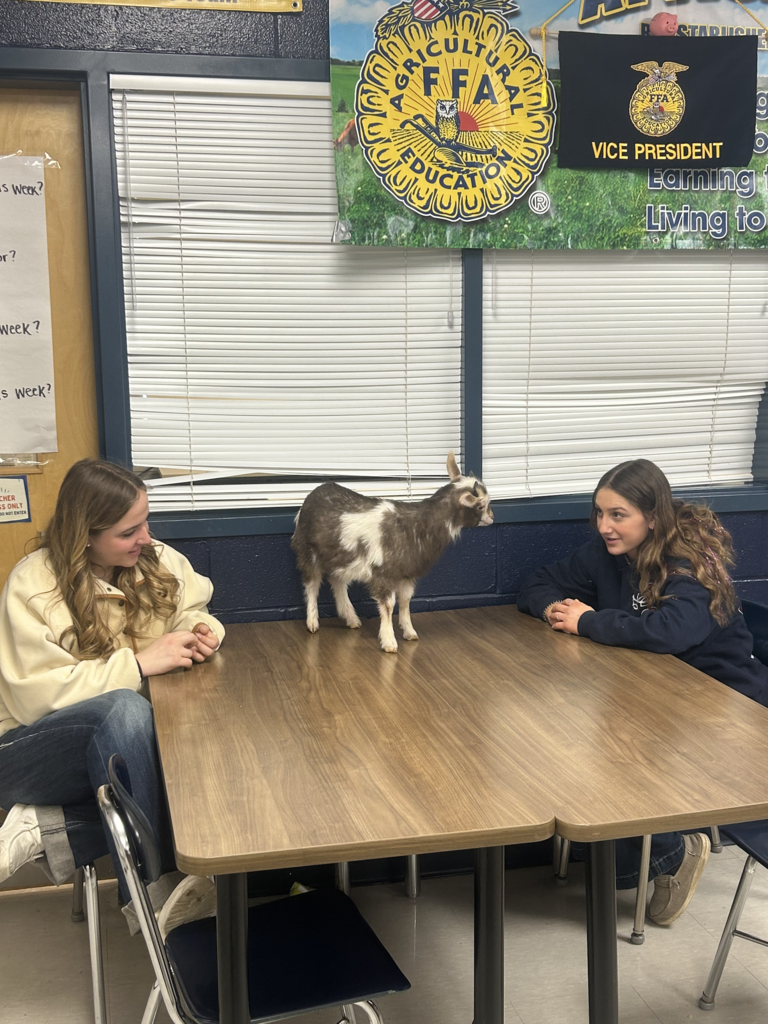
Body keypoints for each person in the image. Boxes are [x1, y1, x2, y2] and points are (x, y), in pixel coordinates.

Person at [517, 458, 768, 926]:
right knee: (574, 734)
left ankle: (669, 852)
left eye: (618, 515)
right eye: (599, 513)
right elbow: (537, 581)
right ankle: (661, 850)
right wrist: (555, 608)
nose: (604, 526)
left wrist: (588, 621)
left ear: (652, 517)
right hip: (649, 687)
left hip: (720, 700)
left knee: (615, 750)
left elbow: (671, 632)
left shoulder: (689, 561)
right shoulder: (606, 553)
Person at [0, 459, 225, 932]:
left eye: (145, 521)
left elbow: (194, 606)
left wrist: (200, 632)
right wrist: (139, 664)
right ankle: (149, 895)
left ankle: (49, 830)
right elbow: (33, 700)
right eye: (129, 531)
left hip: (121, 750)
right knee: (125, 710)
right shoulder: (31, 585)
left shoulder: (153, 557)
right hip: (26, 749)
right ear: (85, 534)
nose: (146, 537)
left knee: (177, 771)